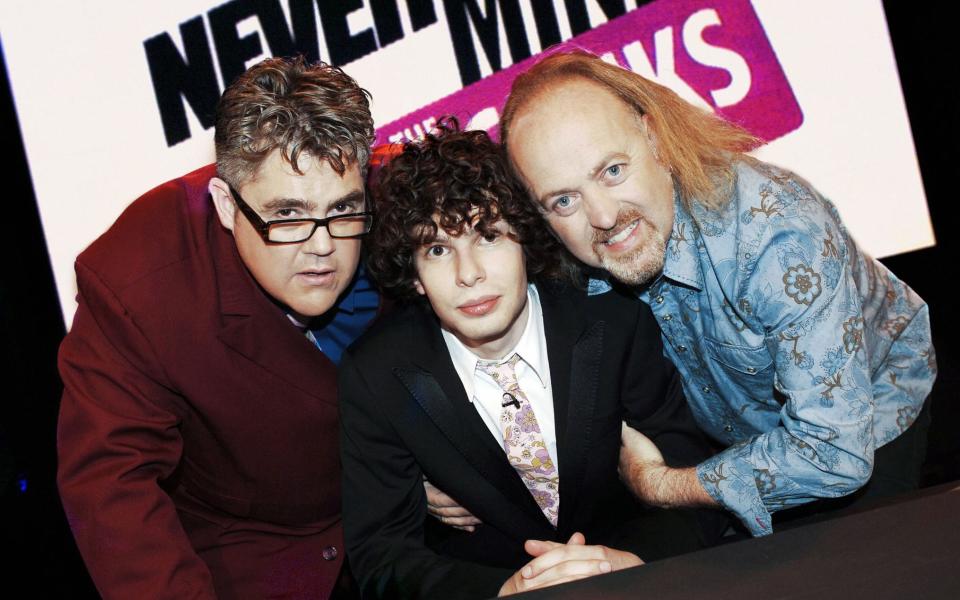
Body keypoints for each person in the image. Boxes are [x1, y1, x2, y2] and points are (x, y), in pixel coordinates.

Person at [500, 50, 936, 537]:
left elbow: (834, 454)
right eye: (564, 199)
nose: (601, 216)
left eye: (613, 171)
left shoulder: (776, 235)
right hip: (728, 440)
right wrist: (442, 481)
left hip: (872, 417)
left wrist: (658, 485)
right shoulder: (570, 256)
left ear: (655, 140)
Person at [338, 123, 717, 599]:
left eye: (489, 236)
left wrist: (628, 564)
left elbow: (695, 477)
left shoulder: (612, 316)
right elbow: (382, 555)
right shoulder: (376, 374)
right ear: (414, 275)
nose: (468, 275)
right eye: (437, 250)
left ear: (524, 240)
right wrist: (504, 592)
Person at [57, 56, 379, 599]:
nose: (322, 245)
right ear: (227, 205)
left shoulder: (400, 206)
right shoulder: (136, 285)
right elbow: (111, 487)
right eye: (288, 217)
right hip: (253, 562)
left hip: (410, 528)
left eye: (343, 210)